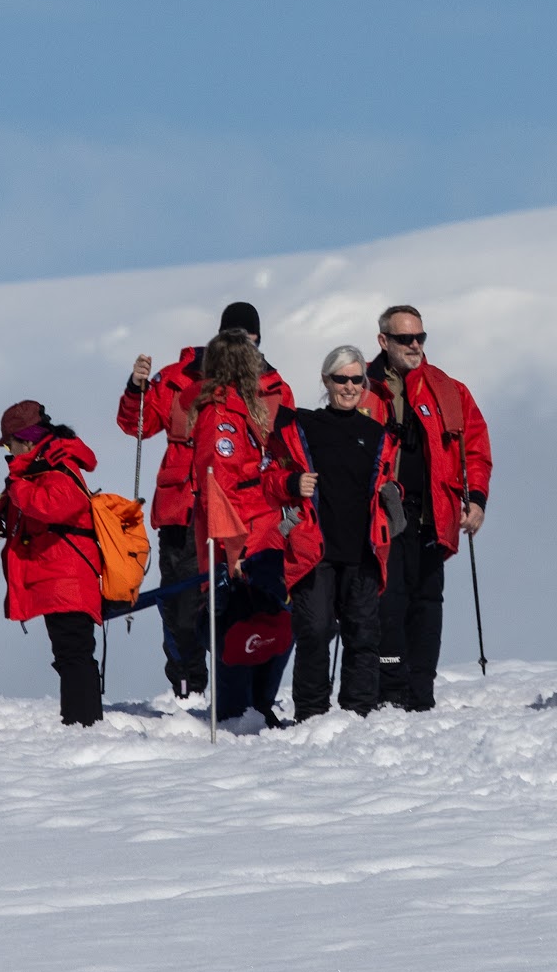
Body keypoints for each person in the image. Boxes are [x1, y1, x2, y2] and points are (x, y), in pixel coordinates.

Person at [120, 301, 294, 700]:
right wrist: (136, 389)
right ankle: (188, 686)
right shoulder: (177, 378)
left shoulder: (274, 388)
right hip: (183, 508)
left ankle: (246, 694)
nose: (242, 350)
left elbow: (288, 449)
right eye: (234, 340)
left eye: (249, 342)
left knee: (250, 604)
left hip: (252, 514)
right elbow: (138, 425)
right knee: (183, 605)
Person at [360, 303, 492, 711]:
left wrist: (477, 500)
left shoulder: (448, 389)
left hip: (435, 513)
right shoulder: (359, 384)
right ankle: (391, 693)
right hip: (381, 515)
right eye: (405, 338)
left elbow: (476, 447)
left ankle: (420, 693)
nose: (414, 345)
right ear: (384, 341)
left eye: (420, 337)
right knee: (389, 599)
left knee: (427, 604)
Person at [172, 328, 303, 727]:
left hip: (261, 527)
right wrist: (233, 551)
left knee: (271, 617)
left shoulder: (241, 409)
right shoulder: (221, 416)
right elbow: (219, 488)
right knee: (235, 623)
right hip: (242, 534)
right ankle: (236, 709)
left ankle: (258, 703)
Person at [281, 344, 392, 719]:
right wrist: (292, 482)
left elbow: (389, 482)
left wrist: (393, 496)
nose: (348, 386)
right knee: (314, 630)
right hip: (316, 550)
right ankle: (311, 714)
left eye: (356, 379)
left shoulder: (377, 433)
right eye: (340, 379)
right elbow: (269, 476)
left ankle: (358, 713)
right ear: (325, 381)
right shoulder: (304, 426)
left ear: (365, 384)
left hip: (363, 549)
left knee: (363, 634)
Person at [0, 398, 106, 727]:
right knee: (70, 654)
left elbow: (56, 507)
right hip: (58, 573)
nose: (8, 452)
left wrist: (18, 488)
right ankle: (81, 722)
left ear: (26, 439)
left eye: (10, 444)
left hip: (66, 573)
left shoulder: (58, 463)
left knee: (74, 653)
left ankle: (84, 725)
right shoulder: (43, 465)